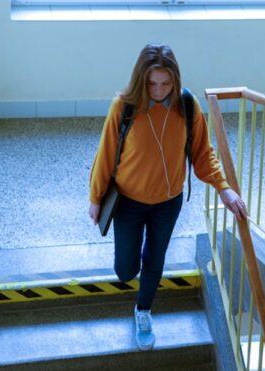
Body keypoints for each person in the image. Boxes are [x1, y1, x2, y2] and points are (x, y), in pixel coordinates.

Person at [88, 43, 247, 351]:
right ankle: (135, 261)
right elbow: (105, 154)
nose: (159, 90)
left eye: (166, 83)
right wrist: (96, 197)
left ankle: (143, 310)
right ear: (140, 80)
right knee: (125, 270)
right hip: (129, 202)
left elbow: (203, 153)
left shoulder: (187, 106)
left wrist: (223, 186)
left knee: (155, 258)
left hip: (168, 202)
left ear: (175, 79)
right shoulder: (124, 106)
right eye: (151, 83)